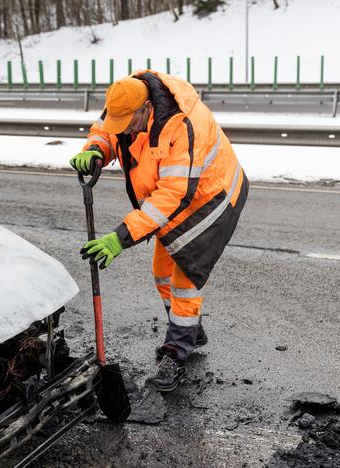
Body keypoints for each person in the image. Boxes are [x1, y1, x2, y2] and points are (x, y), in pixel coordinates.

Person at [70, 70, 248, 392]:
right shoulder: (126, 100)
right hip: (175, 198)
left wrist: (121, 237)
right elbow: (107, 131)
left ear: (146, 109)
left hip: (212, 197)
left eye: (128, 122)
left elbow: (170, 197)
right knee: (161, 273)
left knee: (183, 278)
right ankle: (190, 330)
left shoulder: (181, 127)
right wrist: (96, 149)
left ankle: (177, 353)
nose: (122, 129)